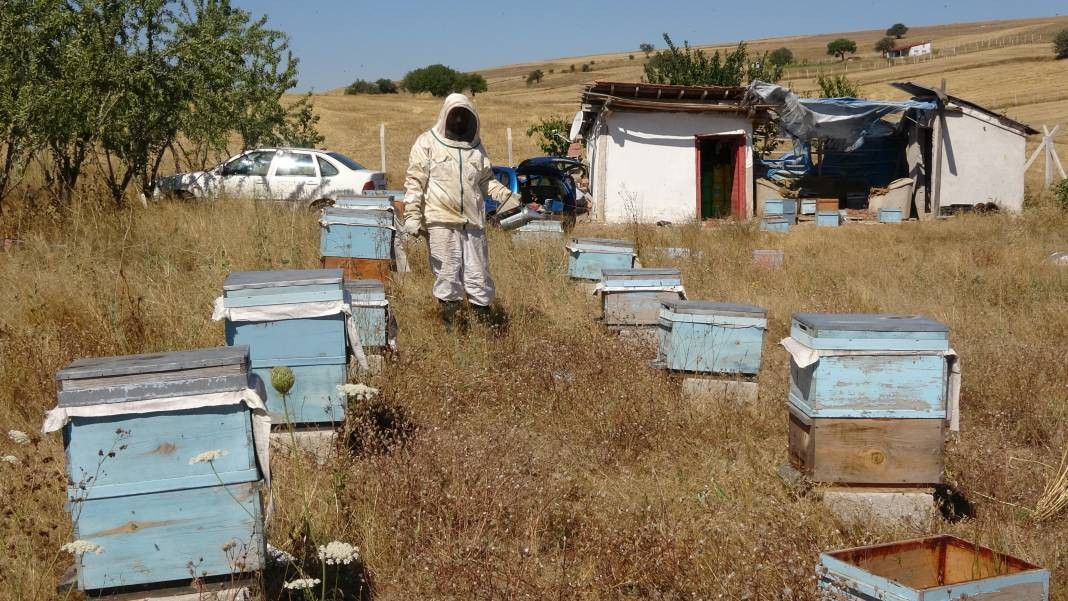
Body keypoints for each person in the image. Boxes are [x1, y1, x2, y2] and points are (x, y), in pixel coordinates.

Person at [402, 93, 534, 331]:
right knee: (448, 277)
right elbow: (415, 182)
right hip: (441, 222)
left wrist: (506, 195)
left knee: (479, 277)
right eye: (456, 115)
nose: (460, 121)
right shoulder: (427, 143)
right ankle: (454, 331)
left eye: (465, 116)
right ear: (446, 116)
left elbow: (486, 181)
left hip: (473, 225)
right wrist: (411, 215)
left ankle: (484, 330)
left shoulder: (476, 148)